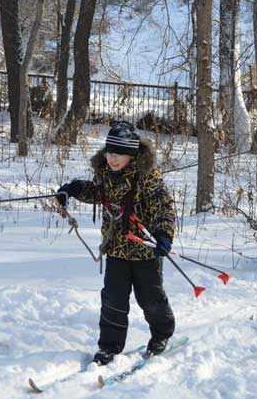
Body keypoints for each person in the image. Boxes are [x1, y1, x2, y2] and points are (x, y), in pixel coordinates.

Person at [56, 121, 177, 366]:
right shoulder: (105, 174)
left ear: (131, 155)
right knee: (113, 299)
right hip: (117, 250)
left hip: (146, 252)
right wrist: (72, 189)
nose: (113, 159)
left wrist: (163, 234)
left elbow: (163, 207)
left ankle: (162, 333)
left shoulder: (148, 178)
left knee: (150, 299)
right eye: (110, 152)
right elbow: (96, 193)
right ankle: (109, 347)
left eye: (119, 154)